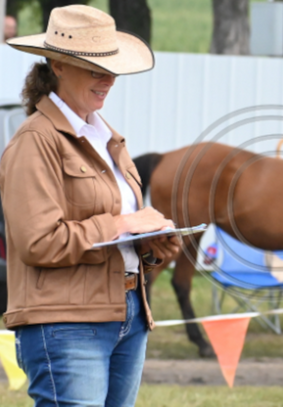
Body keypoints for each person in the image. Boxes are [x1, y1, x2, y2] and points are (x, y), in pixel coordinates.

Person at [1, 5, 181, 406]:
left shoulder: (106, 138)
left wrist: (151, 245)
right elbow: (39, 242)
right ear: (58, 65)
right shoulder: (35, 141)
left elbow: (116, 237)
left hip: (127, 314)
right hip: (65, 324)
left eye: (111, 66)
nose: (109, 79)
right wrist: (124, 223)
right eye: (95, 66)